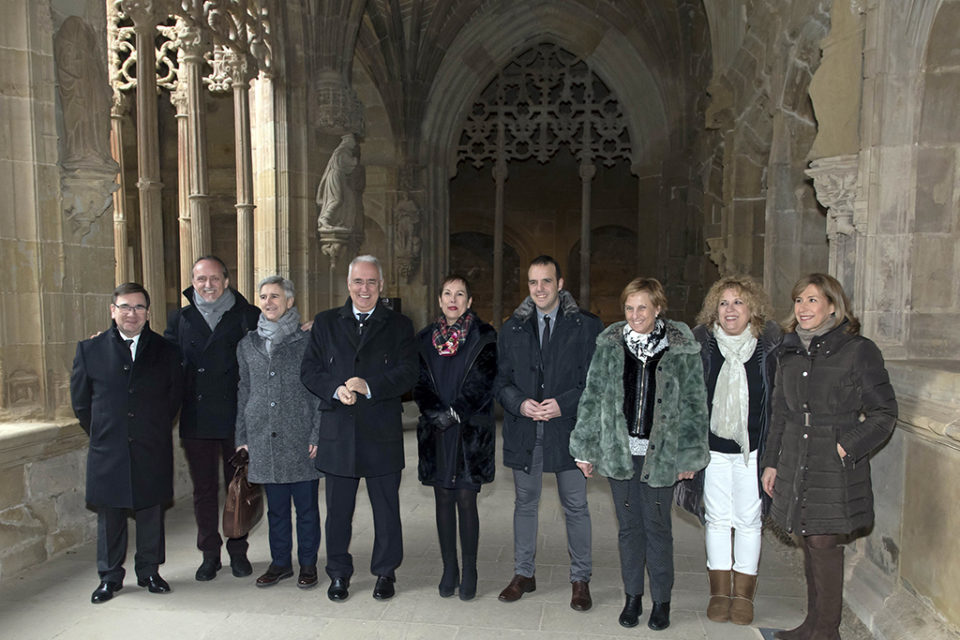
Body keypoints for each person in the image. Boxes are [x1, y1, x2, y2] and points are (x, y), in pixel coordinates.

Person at [761, 273, 897, 640]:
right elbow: (780, 413)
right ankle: (813, 624)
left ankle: (827, 631)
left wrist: (846, 445)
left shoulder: (857, 350)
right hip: (796, 458)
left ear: (833, 306)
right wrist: (771, 462)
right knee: (809, 539)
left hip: (833, 463)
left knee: (823, 543)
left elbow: (884, 412)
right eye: (799, 300)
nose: (803, 308)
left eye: (812, 300)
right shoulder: (789, 351)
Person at [570, 277, 709, 631]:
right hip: (620, 454)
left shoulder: (681, 349)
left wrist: (690, 457)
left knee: (657, 528)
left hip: (661, 456)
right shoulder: (609, 346)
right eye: (629, 308)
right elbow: (592, 398)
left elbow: (695, 405)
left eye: (642, 308)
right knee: (629, 529)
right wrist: (585, 448)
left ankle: (661, 601)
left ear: (658, 308)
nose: (635, 315)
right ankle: (632, 597)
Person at [301, 255, 417, 602]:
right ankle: (338, 573)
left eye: (371, 282)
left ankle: (385, 571)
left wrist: (370, 386)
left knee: (386, 510)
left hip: (381, 431)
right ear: (348, 285)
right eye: (358, 281)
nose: (364, 289)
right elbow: (309, 370)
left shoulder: (399, 325)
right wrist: (335, 389)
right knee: (338, 512)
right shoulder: (326, 323)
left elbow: (409, 372)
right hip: (338, 431)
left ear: (381, 285)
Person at [495, 255, 603, 612]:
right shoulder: (512, 328)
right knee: (525, 503)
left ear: (560, 284)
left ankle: (580, 578)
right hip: (526, 429)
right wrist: (520, 403)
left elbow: (595, 381)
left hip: (568, 428)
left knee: (575, 505)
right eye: (533, 282)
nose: (539, 288)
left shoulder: (586, 326)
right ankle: (523, 573)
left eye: (546, 281)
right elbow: (501, 381)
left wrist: (564, 404)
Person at [70, 283, 184, 604]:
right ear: (113, 310)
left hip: (151, 445)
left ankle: (149, 571)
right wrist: (104, 432)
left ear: (148, 313)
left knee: (150, 512)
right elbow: (81, 403)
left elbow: (174, 398)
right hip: (109, 447)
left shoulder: (167, 351)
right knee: (111, 515)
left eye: (138, 307)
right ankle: (109, 577)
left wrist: (152, 428)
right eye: (125, 306)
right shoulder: (89, 350)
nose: (131, 313)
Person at [165, 255, 261, 581]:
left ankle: (238, 551)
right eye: (201, 279)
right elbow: (163, 359)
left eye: (214, 278)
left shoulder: (247, 315)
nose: (208, 285)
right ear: (193, 282)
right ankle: (209, 554)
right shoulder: (180, 319)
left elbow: (272, 348)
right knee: (204, 491)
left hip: (237, 416)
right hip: (197, 417)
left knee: (239, 487)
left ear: (226, 281)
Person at [692, 276, 781, 625]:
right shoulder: (702, 346)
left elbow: (779, 403)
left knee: (748, 521)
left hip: (753, 451)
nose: (730, 310)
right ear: (714, 309)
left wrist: (774, 456)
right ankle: (719, 592)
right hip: (712, 451)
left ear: (752, 309)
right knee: (716, 520)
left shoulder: (768, 349)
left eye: (738, 302)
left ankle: (743, 596)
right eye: (724, 303)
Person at [414, 274, 497, 601]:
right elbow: (419, 382)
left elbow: (484, 382)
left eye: (460, 294)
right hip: (437, 431)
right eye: (447, 293)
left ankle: (470, 569)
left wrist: (455, 413)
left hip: (469, 431)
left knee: (465, 498)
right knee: (443, 499)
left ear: (469, 301)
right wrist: (437, 414)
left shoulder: (485, 336)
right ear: (439, 300)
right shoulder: (423, 339)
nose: (453, 299)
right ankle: (450, 568)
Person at [235, 276, 322, 589]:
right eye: (263, 296)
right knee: (277, 510)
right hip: (263, 437)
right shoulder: (247, 344)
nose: (268, 302)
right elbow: (244, 390)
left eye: (275, 296)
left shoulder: (308, 341)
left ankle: (308, 563)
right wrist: (242, 437)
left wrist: (317, 434)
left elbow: (319, 392)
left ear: (290, 301)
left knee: (307, 509)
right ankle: (281, 563)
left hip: (300, 438)